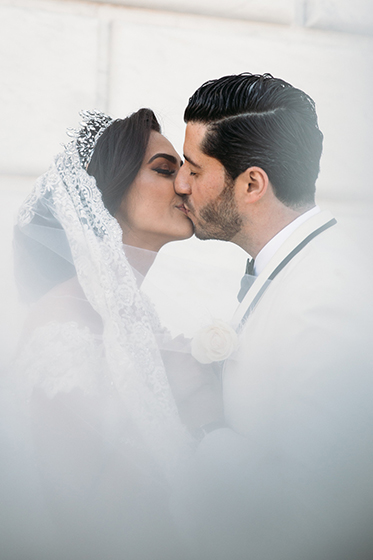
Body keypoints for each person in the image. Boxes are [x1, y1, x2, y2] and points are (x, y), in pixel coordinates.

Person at [173, 73, 373, 560]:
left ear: (252, 183)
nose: (180, 184)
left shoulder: (328, 296)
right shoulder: (299, 267)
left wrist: (207, 427)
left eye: (195, 170)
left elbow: (321, 513)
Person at [9, 108, 221, 560]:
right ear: (107, 189)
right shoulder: (65, 321)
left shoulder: (132, 313)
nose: (185, 184)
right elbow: (77, 510)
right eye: (165, 170)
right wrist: (193, 411)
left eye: (185, 170)